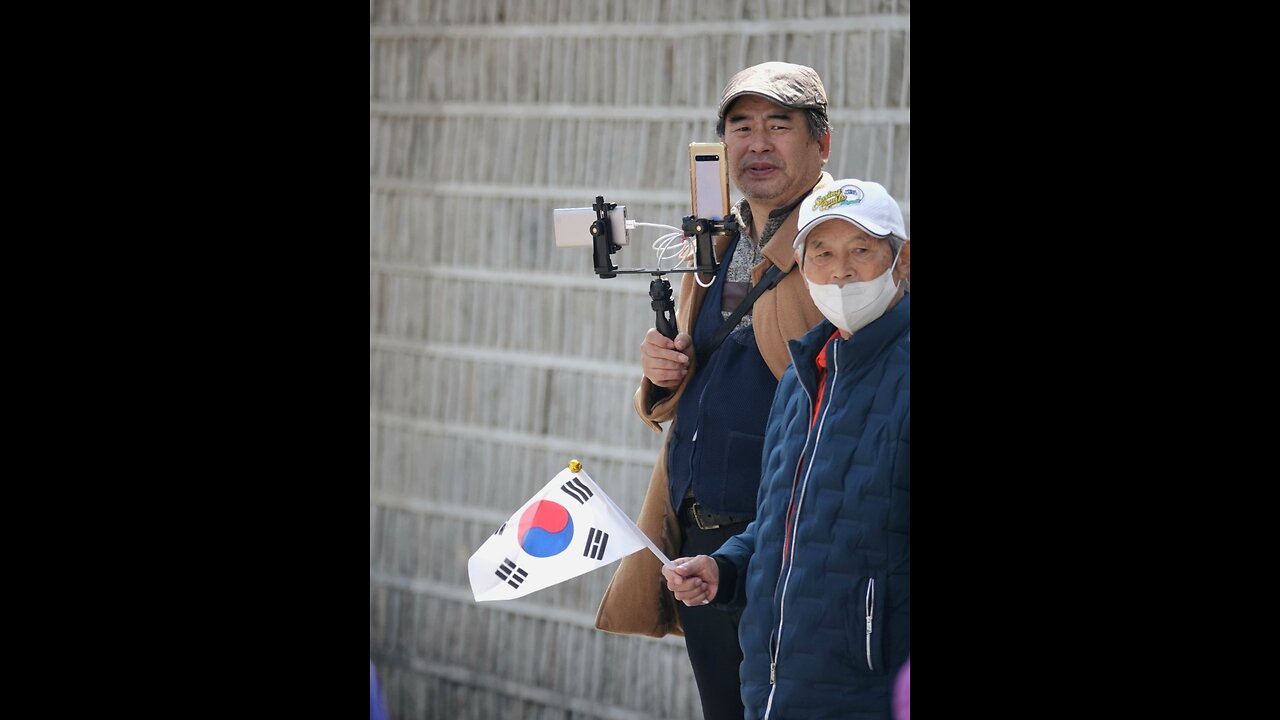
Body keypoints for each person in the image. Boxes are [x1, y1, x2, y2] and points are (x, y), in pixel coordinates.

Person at [594, 61, 835, 720]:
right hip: (700, 541)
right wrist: (661, 368)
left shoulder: (842, 242)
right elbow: (707, 364)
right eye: (741, 127)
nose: (756, 144)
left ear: (822, 143)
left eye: (778, 126)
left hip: (788, 542)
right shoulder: (719, 242)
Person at [661, 178, 910, 719]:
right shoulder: (804, 374)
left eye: (861, 250)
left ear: (903, 260)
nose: (839, 270)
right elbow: (785, 517)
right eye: (821, 253)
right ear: (802, 266)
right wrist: (724, 567)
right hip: (775, 690)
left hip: (871, 695)